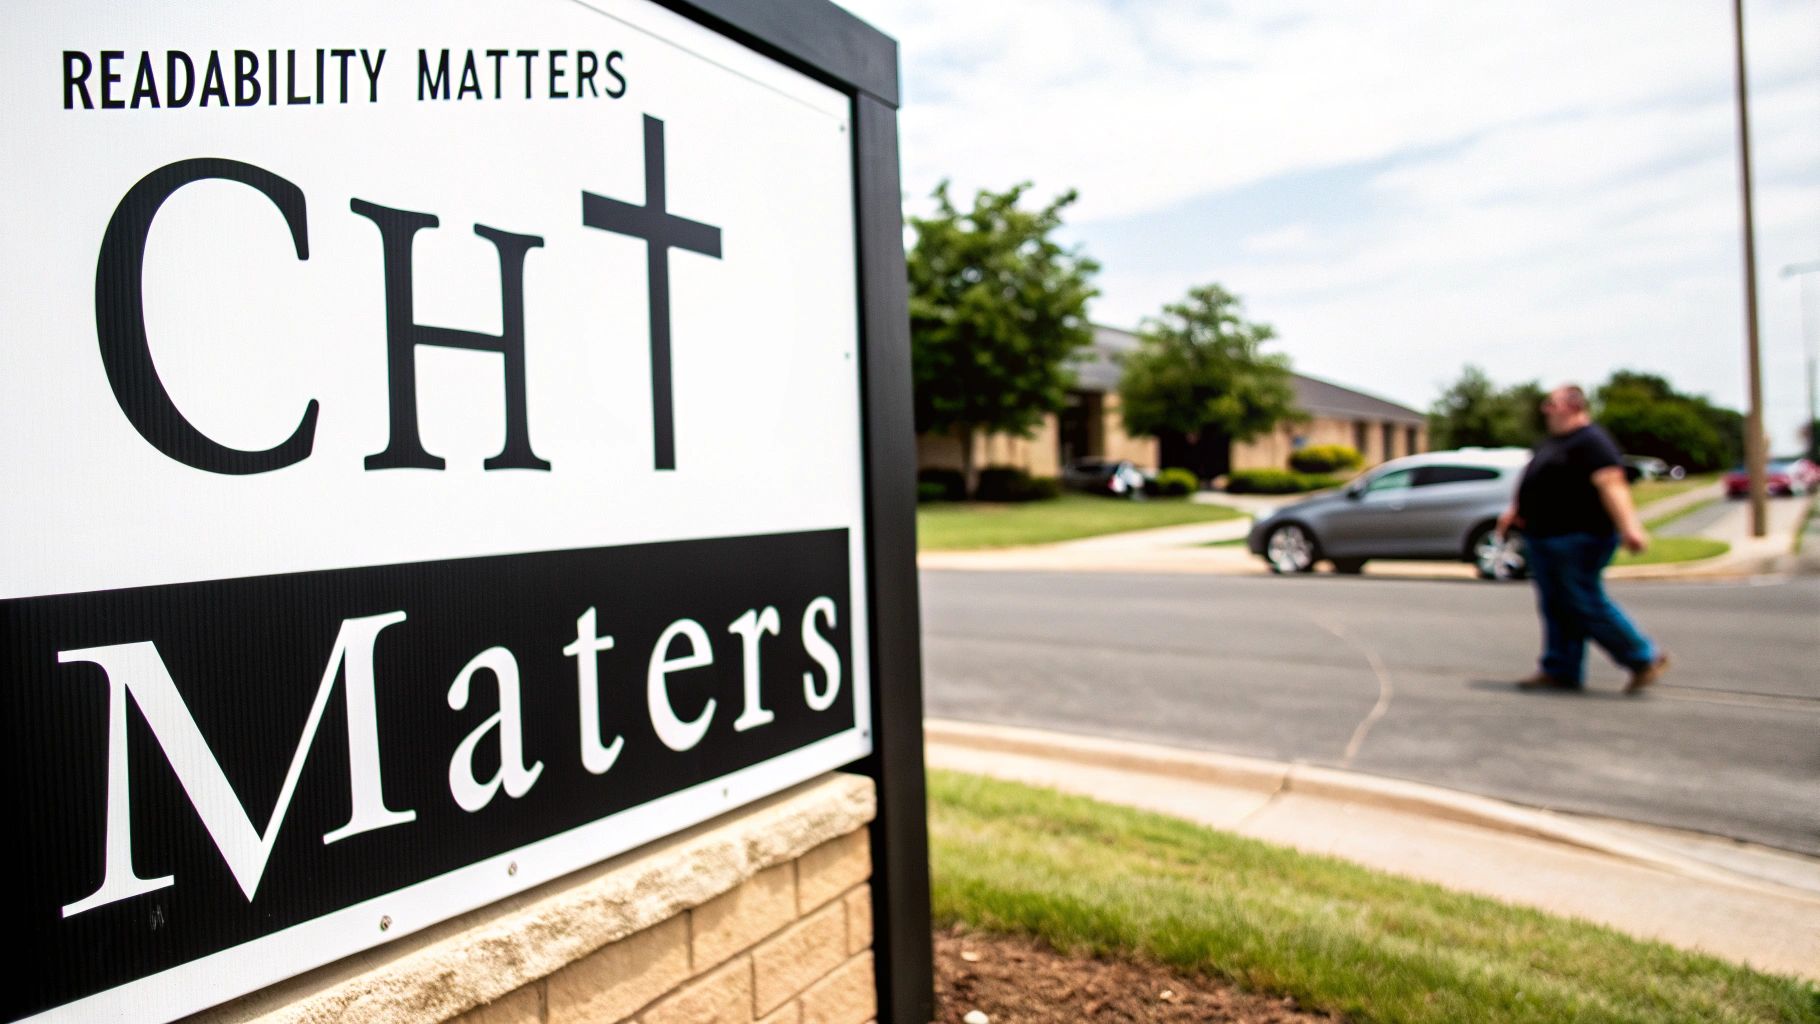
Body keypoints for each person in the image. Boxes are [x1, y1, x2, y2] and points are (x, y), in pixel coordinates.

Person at [1497, 385, 1669, 694]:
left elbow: (1612, 483)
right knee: (1557, 605)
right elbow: (1536, 481)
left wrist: (1630, 527)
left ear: (1572, 406)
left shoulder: (1591, 441)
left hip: (1580, 537)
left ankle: (1643, 657)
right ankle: (1560, 669)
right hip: (1545, 536)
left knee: (1583, 602)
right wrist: (1515, 511)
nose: (1545, 410)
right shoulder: (1554, 442)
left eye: (1551, 403)